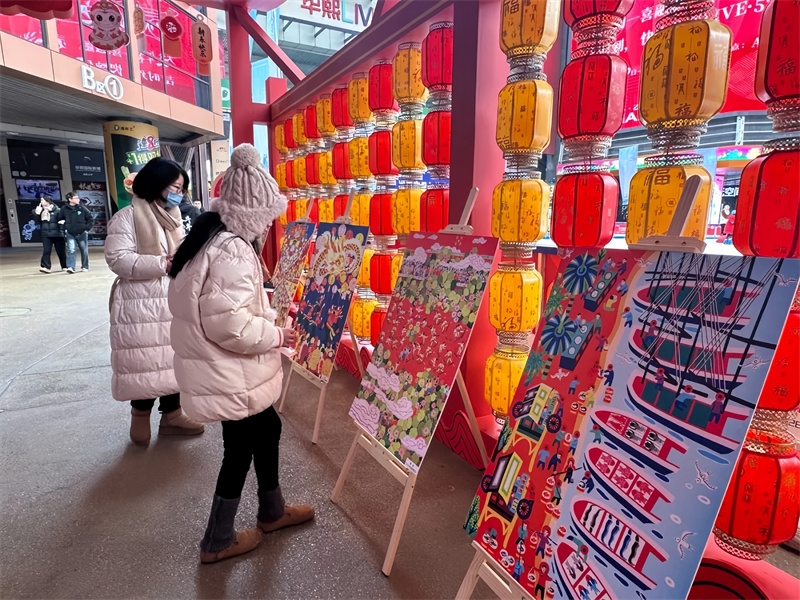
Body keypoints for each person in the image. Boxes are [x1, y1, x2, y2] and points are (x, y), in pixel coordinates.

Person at [168, 144, 313, 564]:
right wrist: (276, 334)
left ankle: (271, 510)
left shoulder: (210, 236)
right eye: (266, 215)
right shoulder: (232, 247)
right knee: (241, 446)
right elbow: (228, 325)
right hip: (229, 367)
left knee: (266, 428)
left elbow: (220, 306)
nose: (269, 224)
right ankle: (217, 539)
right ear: (251, 213)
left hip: (223, 366)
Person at [105, 157, 205, 445]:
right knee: (143, 360)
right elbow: (117, 259)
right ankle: (140, 416)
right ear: (155, 182)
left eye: (182, 188)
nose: (178, 194)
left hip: (171, 297)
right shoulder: (126, 217)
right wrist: (162, 263)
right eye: (175, 186)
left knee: (172, 358)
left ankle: (172, 415)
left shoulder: (173, 216)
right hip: (140, 303)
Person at [60, 192, 93, 273]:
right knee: (71, 250)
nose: (78, 199)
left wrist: (86, 229)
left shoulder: (82, 208)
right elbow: (60, 218)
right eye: (76, 198)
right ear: (70, 199)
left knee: (84, 250)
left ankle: (85, 266)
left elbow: (90, 219)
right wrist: (64, 226)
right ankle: (71, 267)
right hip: (70, 233)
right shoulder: (64, 209)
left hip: (82, 233)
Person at [34, 196, 67, 273]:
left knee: (61, 251)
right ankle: (46, 267)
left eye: (42, 200)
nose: (41, 202)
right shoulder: (41, 210)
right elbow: (38, 221)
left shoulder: (57, 210)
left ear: (48, 201)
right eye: (41, 200)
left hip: (57, 234)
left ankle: (65, 265)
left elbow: (63, 219)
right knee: (46, 251)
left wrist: (62, 223)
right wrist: (37, 214)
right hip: (46, 234)